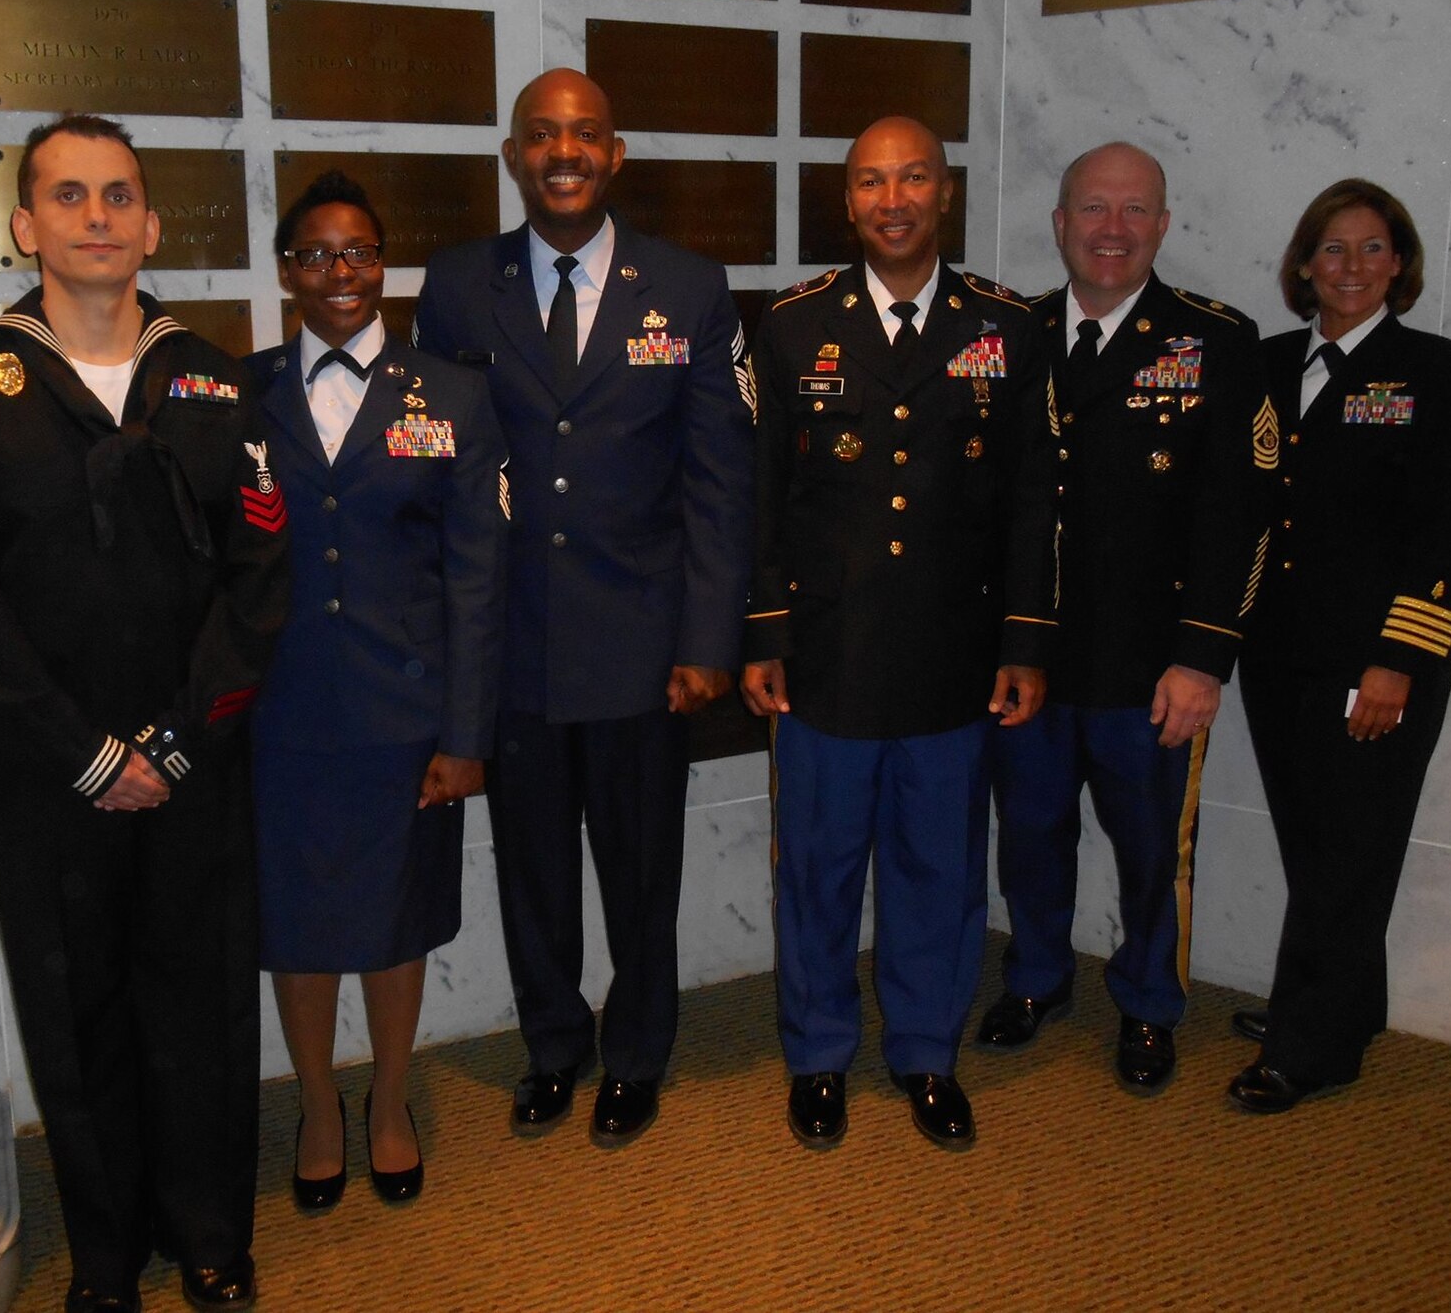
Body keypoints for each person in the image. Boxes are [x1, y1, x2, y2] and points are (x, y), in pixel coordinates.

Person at [0, 115, 287, 1313]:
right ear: (25, 228)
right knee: (79, 1017)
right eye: (67, 197)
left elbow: (260, 583)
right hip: (46, 775)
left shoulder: (216, 381)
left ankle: (212, 1236)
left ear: (152, 225)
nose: (95, 217)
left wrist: (173, 742)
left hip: (194, 764)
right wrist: (86, 755)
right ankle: (110, 1259)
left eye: (118, 196)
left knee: (202, 999)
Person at [414, 68, 753, 1145]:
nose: (564, 151)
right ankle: (555, 1045)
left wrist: (708, 640)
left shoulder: (692, 289)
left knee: (641, 868)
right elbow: (438, 469)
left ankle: (638, 1052)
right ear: (514, 156)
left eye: (586, 134)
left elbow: (718, 481)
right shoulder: (459, 286)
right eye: (542, 135)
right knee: (532, 873)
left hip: (644, 646)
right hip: (511, 643)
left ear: (617, 155)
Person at [741, 117, 1056, 1148]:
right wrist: (764, 634)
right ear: (846, 203)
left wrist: (1021, 643)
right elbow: (760, 496)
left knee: (937, 868)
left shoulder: (1005, 327)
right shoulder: (791, 325)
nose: (891, 200)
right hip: (825, 661)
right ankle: (819, 1054)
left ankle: (925, 1052)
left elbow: (1028, 502)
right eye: (870, 182)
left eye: (911, 178)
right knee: (817, 870)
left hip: (949, 658)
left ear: (944, 193)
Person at [981, 142, 1275, 1094]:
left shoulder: (1216, 342)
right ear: (1059, 222)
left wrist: (1204, 659)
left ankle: (1149, 1003)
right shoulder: (1008, 334)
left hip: (1149, 665)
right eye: (1094, 209)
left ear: (1163, 226)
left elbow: (1242, 516)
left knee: (1151, 850)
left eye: (1135, 210)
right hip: (1026, 658)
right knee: (1029, 833)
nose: (1113, 229)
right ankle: (1036, 978)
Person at [247, 171, 506, 1205]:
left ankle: (390, 1099)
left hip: (407, 718)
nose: (338, 272)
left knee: (395, 921)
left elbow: (476, 574)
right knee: (296, 926)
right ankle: (317, 1102)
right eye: (315, 254)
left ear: (381, 265)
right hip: (284, 715)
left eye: (357, 252)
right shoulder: (241, 394)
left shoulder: (448, 394)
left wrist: (465, 729)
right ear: (285, 272)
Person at [1228, 179, 1451, 1113]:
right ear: (1305, 265)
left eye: (1372, 249)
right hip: (1278, 651)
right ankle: (1345, 1003)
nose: (1351, 267)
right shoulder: (1264, 364)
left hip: (1372, 663)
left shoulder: (1437, 371)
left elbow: (1449, 534)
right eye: (1332, 250)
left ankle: (1313, 1047)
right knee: (1317, 841)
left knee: (1349, 848)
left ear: (1400, 265)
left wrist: (1401, 662)